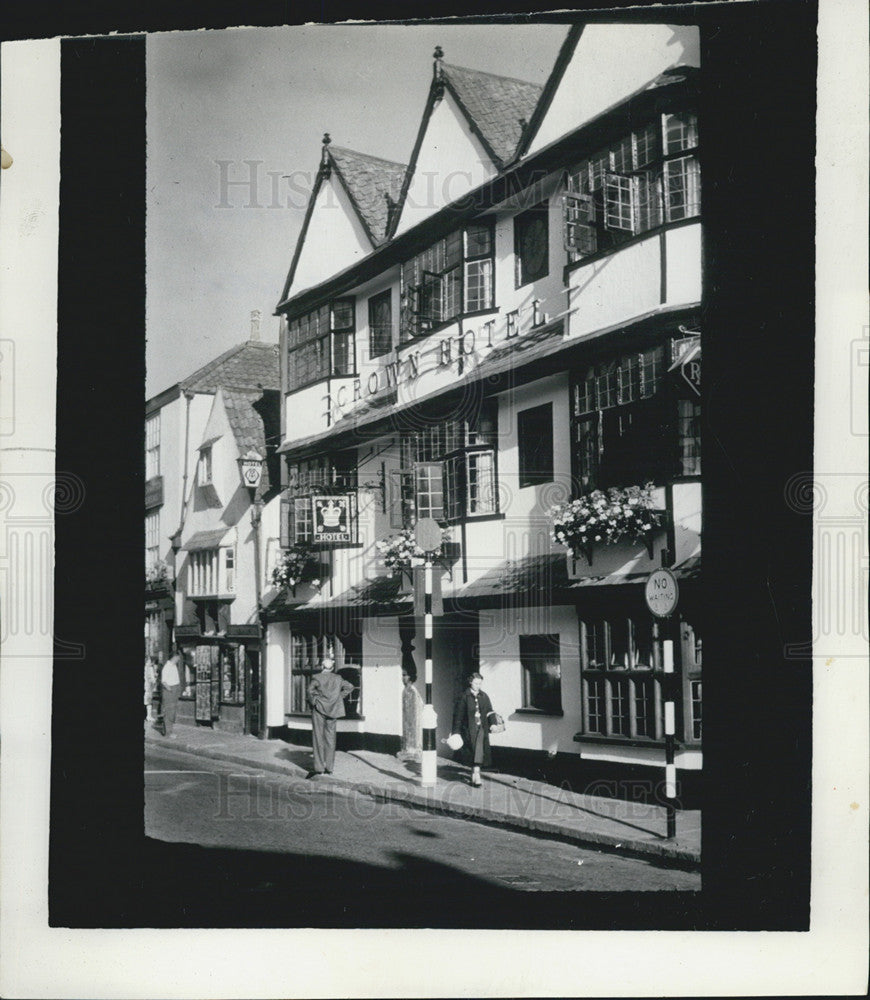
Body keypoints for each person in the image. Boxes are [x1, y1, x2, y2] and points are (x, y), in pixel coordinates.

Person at [306, 654, 353, 776]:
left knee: (318, 738)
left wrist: (315, 702)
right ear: (332, 668)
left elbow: (309, 692)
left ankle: (319, 768)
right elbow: (350, 687)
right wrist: (338, 698)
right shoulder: (338, 678)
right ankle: (330, 768)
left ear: (322, 666)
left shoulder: (316, 677)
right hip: (333, 710)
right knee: (331, 739)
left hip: (319, 710)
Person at [450, 672, 495, 787]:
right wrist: (456, 732)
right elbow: (458, 716)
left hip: (481, 729)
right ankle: (474, 773)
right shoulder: (464, 696)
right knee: (473, 751)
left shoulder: (484, 696)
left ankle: (476, 774)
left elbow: (490, 711)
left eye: (480, 683)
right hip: (468, 730)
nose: (478, 686)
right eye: (476, 683)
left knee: (479, 751)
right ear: (470, 682)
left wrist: (493, 723)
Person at [398, 666, 423, 762]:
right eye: (402, 675)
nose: (403, 678)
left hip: (412, 722)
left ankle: (411, 751)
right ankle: (410, 750)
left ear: (410, 677)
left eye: (405, 675)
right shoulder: (408, 690)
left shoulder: (410, 691)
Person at [160, 649, 182, 739]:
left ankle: (169, 730)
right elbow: (164, 681)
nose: (179, 659)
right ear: (175, 657)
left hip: (174, 689)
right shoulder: (167, 666)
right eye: (178, 657)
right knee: (169, 712)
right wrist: (171, 690)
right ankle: (168, 733)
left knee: (172, 712)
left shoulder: (173, 666)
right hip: (170, 690)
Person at [144, 652, 158, 722]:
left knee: (146, 702)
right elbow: (152, 680)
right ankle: (148, 716)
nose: (151, 662)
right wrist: (155, 678)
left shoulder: (145, 668)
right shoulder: (150, 668)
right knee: (149, 702)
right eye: (150, 660)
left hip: (145, 687)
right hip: (148, 688)